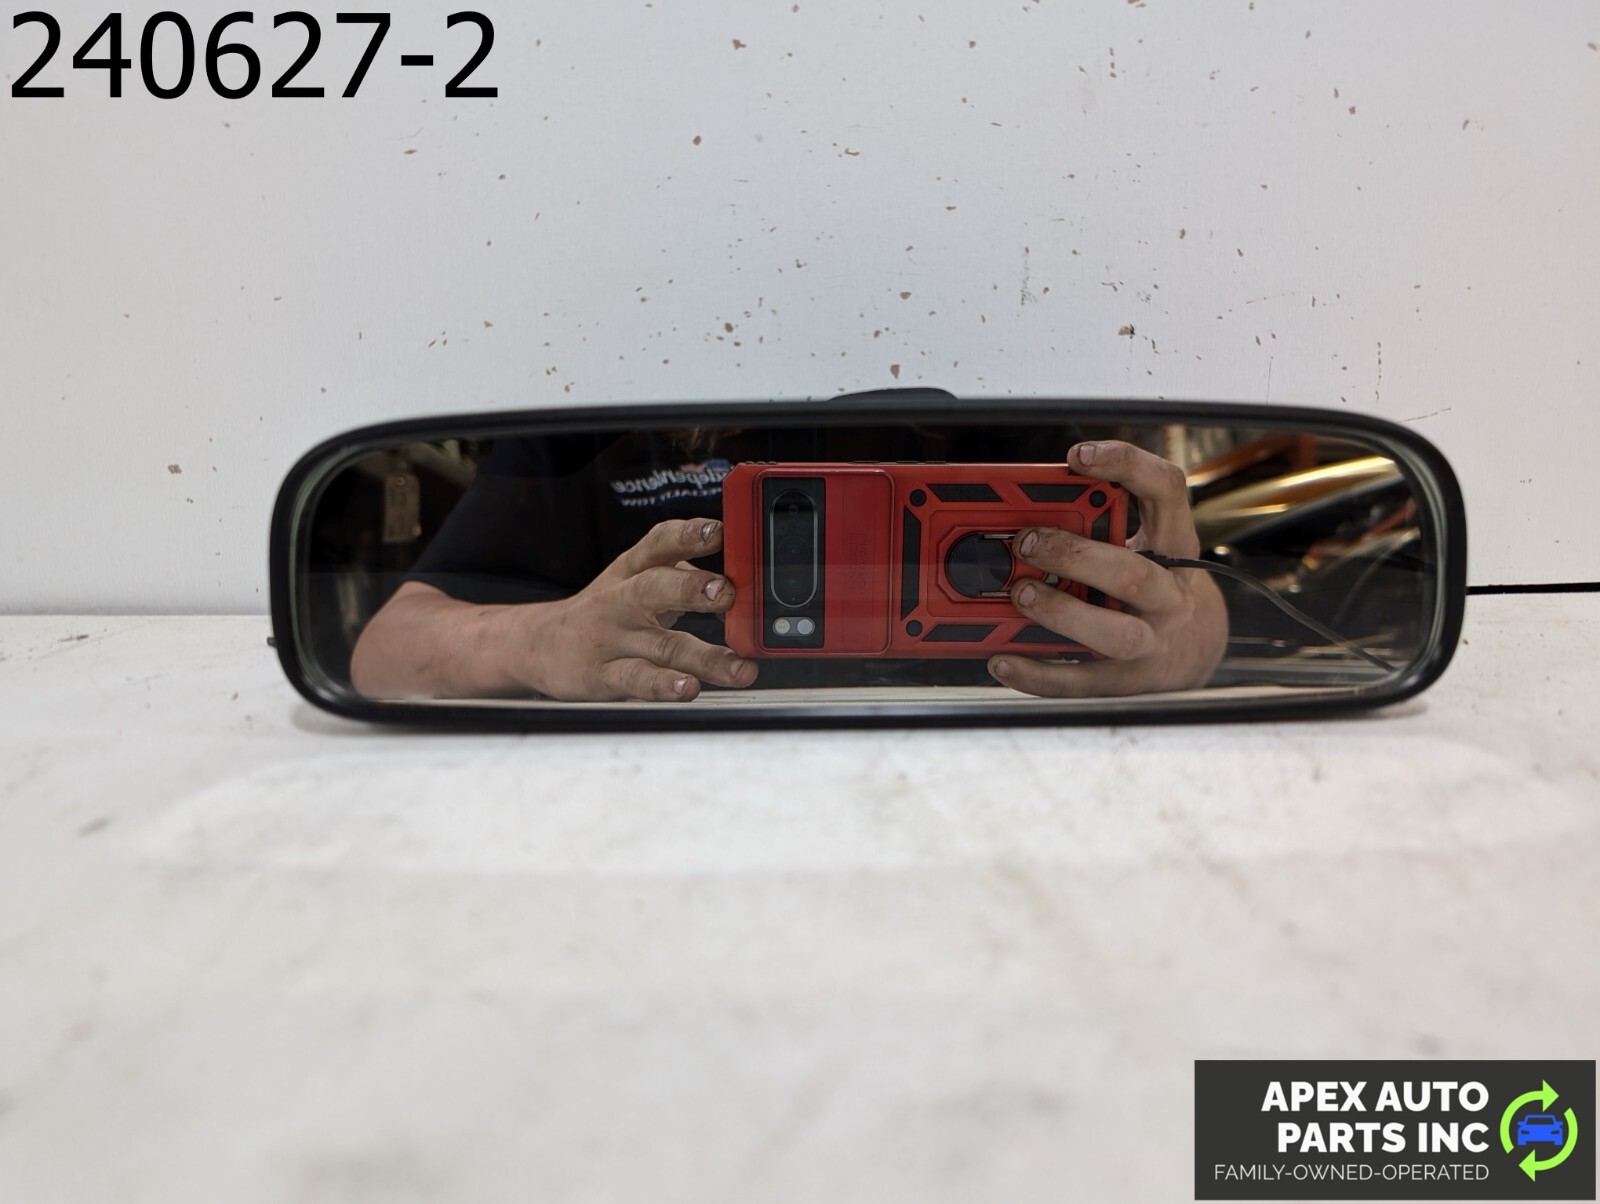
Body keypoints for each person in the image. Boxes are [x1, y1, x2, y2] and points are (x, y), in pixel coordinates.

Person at [348, 413, 1227, 702]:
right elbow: (387, 648)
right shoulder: (598, 412)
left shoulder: (1018, 394)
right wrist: (544, 641)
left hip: (999, 812)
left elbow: (1188, 598)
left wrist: (1180, 637)